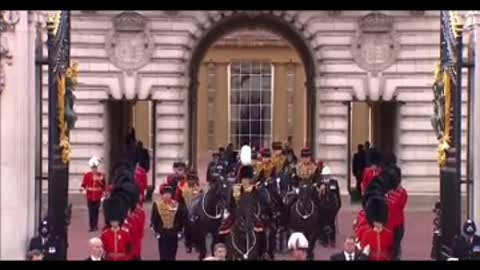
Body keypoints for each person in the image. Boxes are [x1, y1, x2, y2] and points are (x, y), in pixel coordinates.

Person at [151, 185, 186, 261]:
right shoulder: (157, 205)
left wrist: (180, 231)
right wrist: (156, 232)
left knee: (172, 254)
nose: (167, 195)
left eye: (169, 193)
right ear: (162, 195)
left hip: (173, 233)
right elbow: (154, 220)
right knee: (163, 255)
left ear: (171, 195)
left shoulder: (177, 205)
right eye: (165, 194)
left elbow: (180, 220)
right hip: (162, 233)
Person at [359, 197, 394, 261]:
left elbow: (391, 250)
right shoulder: (367, 234)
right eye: (376, 222)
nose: (378, 224)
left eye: (380, 222)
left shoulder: (389, 234)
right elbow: (363, 251)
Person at [175, 171, 202, 253]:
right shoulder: (182, 188)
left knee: (198, 229)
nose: (192, 181)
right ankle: (188, 245)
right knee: (188, 228)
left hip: (197, 211)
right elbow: (177, 200)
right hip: (186, 210)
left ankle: (197, 245)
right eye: (190, 179)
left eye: (193, 179)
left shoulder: (199, 189)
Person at [384, 166, 408, 260]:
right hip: (386, 225)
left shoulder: (402, 193)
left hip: (397, 226)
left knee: (395, 251)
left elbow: (397, 206)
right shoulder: (386, 192)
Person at [101, 195, 134, 261]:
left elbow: (129, 247)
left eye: (116, 221)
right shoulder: (105, 234)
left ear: (119, 221)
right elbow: (103, 247)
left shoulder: (125, 233)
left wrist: (127, 258)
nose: (114, 223)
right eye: (112, 221)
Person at [81, 156, 106, 232]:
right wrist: (83, 190)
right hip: (90, 195)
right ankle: (91, 226)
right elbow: (83, 185)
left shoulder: (100, 175)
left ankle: (95, 225)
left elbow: (103, 186)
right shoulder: (87, 175)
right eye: (93, 168)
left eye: (95, 168)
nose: (94, 169)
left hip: (97, 196)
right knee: (91, 211)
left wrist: (103, 194)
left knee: (96, 211)